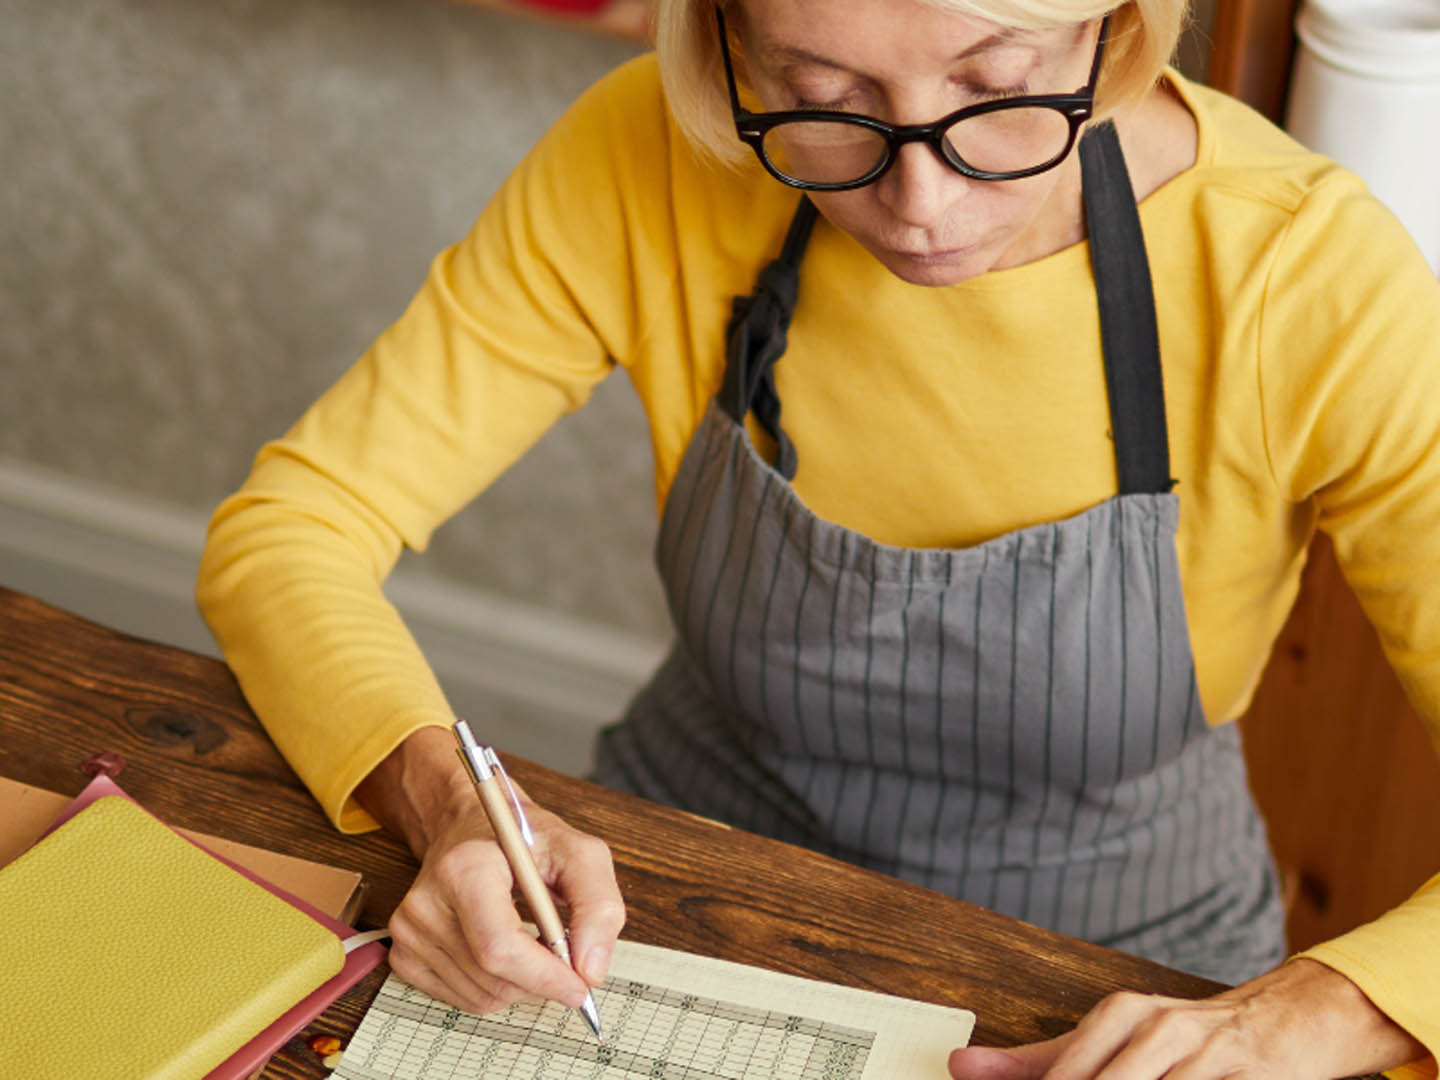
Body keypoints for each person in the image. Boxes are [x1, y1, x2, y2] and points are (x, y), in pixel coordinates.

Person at [196, 0, 1440, 1074]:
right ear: (729, 50)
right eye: (822, 101)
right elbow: (292, 531)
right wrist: (451, 804)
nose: (921, 203)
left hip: (1121, 968)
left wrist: (1331, 1010)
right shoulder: (647, 155)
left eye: (997, 93)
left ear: (1111, 29)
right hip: (676, 895)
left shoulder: (1305, 273)